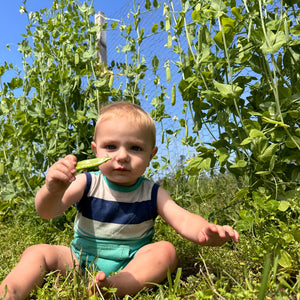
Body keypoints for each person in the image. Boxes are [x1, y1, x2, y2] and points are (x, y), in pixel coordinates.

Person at [0, 101, 239, 299]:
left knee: (166, 251)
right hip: (79, 258)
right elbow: (47, 212)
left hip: (132, 266)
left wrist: (205, 232)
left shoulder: (152, 192)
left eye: (135, 148)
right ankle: (10, 293)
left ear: (151, 155)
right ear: (96, 150)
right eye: (111, 146)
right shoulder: (87, 182)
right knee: (37, 251)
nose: (122, 156)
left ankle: (114, 287)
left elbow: (183, 219)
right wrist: (52, 189)